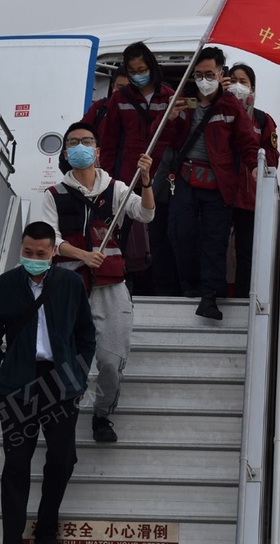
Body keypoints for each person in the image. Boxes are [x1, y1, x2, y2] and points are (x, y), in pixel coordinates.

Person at [0, 221, 97, 544]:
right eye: (27, 252)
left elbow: (86, 337)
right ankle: (11, 543)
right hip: (18, 383)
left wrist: (79, 378)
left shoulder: (71, 284)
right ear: (21, 249)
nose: (33, 258)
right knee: (16, 465)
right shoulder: (4, 285)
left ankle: (46, 531)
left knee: (62, 461)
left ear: (53, 252)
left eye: (40, 253)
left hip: (60, 382)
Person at [42, 122, 154, 444]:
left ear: (97, 151)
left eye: (86, 141)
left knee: (110, 360)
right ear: (66, 153)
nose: (80, 146)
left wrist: (146, 180)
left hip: (110, 286)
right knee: (64, 357)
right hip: (69, 284)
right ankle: (64, 413)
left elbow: (145, 214)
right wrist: (83, 255)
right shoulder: (54, 195)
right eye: (73, 142)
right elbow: (50, 240)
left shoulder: (116, 188)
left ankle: (102, 415)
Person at [169, 46, 258, 320]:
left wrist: (256, 166)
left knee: (215, 240)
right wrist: (169, 118)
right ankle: (190, 286)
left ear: (221, 74)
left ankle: (210, 296)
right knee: (182, 233)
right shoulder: (182, 101)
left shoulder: (231, 106)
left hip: (219, 182)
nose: (204, 80)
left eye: (209, 74)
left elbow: (247, 141)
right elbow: (161, 138)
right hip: (185, 178)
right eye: (199, 74)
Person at [98, 42, 186, 297]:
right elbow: (109, 141)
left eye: (142, 70)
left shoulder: (170, 95)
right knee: (120, 235)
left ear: (152, 68)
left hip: (161, 177)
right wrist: (107, 180)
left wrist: (172, 119)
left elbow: (181, 139)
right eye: (133, 71)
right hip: (127, 177)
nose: (138, 75)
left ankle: (163, 291)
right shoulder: (119, 98)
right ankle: (117, 288)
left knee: (160, 236)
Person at [227, 63, 280, 299]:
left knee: (246, 251)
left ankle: (243, 296)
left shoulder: (262, 120)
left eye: (243, 82)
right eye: (233, 81)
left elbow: (273, 157)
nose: (237, 86)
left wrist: (253, 153)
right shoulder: (217, 113)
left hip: (249, 197)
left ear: (252, 88)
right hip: (220, 192)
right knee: (214, 246)